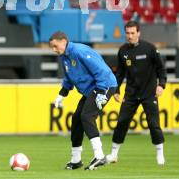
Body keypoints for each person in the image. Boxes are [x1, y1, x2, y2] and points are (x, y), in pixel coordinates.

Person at [49, 31, 117, 171]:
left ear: (63, 41)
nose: (54, 50)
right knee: (76, 120)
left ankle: (99, 156)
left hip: (104, 85)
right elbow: (69, 77)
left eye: (55, 46)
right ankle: (76, 160)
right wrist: (62, 94)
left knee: (87, 116)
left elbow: (101, 70)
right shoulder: (65, 56)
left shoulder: (80, 51)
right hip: (91, 89)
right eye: (52, 47)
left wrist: (102, 91)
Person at [106, 20, 167, 165]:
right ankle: (114, 154)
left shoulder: (150, 48)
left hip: (149, 93)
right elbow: (119, 74)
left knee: (153, 124)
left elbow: (161, 69)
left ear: (138, 33)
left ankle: (160, 154)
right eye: (127, 33)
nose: (130, 36)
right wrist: (116, 90)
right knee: (121, 122)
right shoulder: (123, 51)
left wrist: (162, 85)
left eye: (133, 33)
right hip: (131, 94)